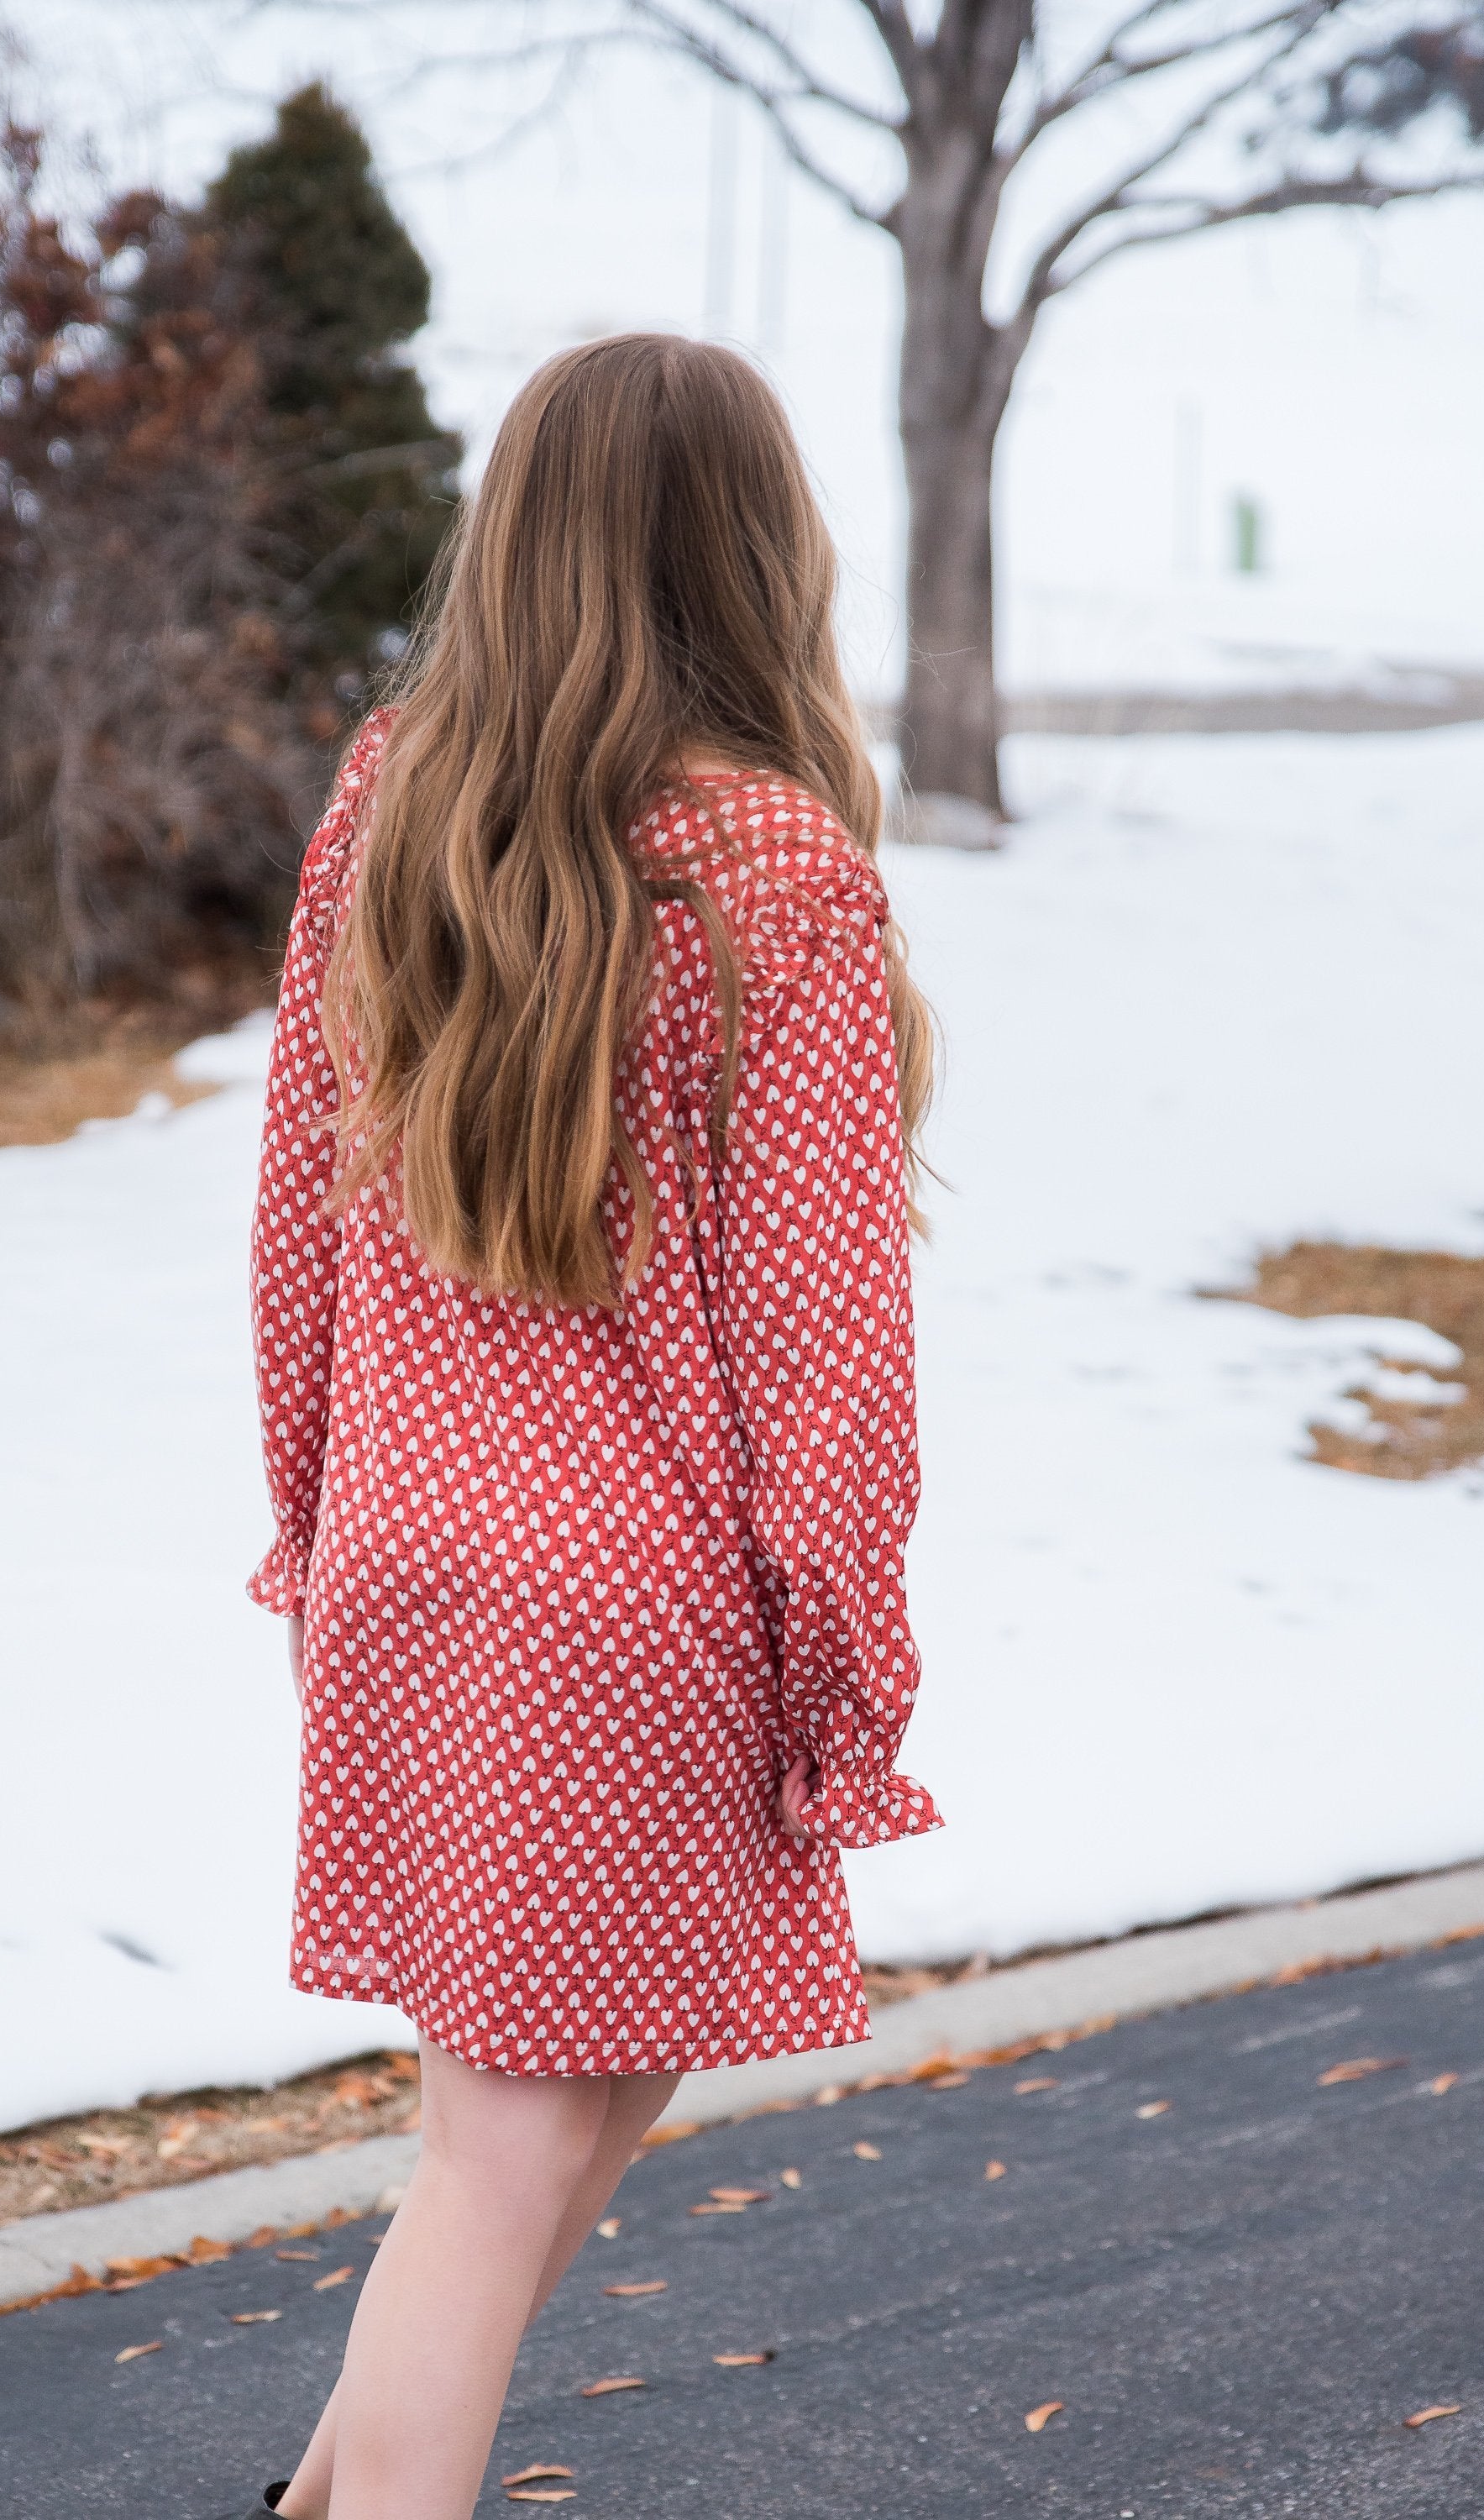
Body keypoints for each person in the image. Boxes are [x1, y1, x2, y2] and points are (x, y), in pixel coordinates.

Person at [224, 331, 942, 2520]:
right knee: (511, 2150)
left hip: (412, 1561)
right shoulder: (779, 866)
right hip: (639, 1615)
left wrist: (314, 1535)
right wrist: (850, 1690)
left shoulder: (390, 801)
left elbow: (291, 1233)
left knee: (544, 2133)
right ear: (754, 549)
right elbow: (830, 1362)